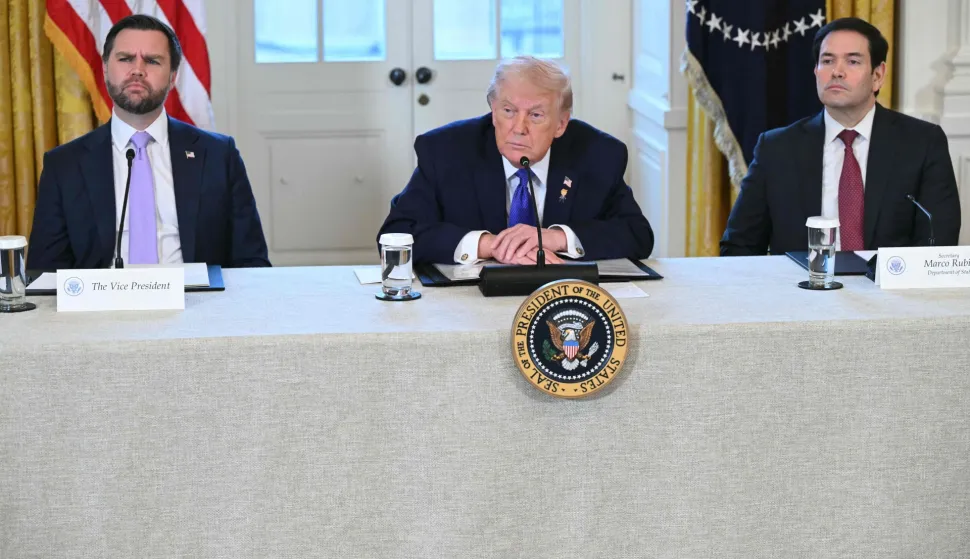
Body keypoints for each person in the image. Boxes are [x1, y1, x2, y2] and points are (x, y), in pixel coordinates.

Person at [28, 14, 269, 269]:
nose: (138, 70)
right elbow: (45, 273)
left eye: (152, 61)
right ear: (106, 69)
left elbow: (252, 262)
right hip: (100, 305)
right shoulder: (64, 164)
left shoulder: (219, 155)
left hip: (198, 303)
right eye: (125, 59)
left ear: (173, 76)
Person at [378, 56, 654, 265]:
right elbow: (396, 235)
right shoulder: (445, 151)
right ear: (493, 111)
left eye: (535, 115)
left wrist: (555, 238)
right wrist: (490, 245)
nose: (518, 128)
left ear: (560, 124)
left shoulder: (599, 154)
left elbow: (637, 235)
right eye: (508, 111)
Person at [721, 17, 960, 256]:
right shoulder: (776, 149)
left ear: (878, 75)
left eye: (853, 61)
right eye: (827, 61)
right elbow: (739, 246)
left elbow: (937, 246)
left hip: (887, 290)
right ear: (815, 71)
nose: (837, 72)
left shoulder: (922, 143)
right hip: (799, 290)